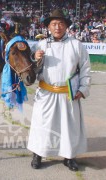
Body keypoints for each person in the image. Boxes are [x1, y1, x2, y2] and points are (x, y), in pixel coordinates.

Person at [27, 9, 91, 171]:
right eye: (54, 24)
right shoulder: (40, 45)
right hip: (46, 94)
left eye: (61, 23)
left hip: (68, 94)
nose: (57, 27)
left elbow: (85, 69)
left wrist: (83, 89)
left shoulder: (76, 45)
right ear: (48, 26)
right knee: (42, 126)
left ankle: (69, 157)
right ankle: (38, 154)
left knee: (69, 127)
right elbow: (32, 71)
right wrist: (36, 59)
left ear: (66, 26)